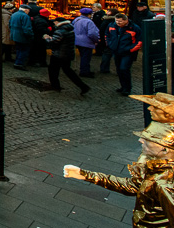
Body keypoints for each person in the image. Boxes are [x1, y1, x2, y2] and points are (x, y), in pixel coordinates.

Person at [63, 93, 174, 227]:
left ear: (165, 150)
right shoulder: (155, 165)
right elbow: (134, 186)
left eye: (148, 140)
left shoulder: (164, 183)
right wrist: (86, 175)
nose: (140, 140)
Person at [45, 17, 91, 95]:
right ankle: (83, 86)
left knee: (53, 70)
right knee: (68, 71)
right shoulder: (70, 30)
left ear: (58, 22)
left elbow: (54, 42)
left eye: (55, 22)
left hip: (58, 54)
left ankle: (55, 86)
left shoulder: (60, 31)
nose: (54, 24)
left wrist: (46, 38)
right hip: (67, 53)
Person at [105, 12, 143, 96]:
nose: (118, 23)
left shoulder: (134, 28)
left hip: (127, 53)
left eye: (120, 21)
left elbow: (139, 41)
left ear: (126, 21)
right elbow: (107, 35)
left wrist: (130, 50)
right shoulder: (112, 26)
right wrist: (110, 44)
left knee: (124, 69)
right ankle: (123, 86)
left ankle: (127, 88)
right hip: (116, 51)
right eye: (117, 21)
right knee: (119, 69)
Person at [72, 7, 100, 78]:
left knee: (83, 56)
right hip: (86, 42)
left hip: (77, 41)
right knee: (86, 58)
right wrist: (96, 40)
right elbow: (92, 33)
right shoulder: (89, 22)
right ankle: (84, 72)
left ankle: (85, 70)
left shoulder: (76, 20)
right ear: (89, 14)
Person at [9, 4, 34, 69]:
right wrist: (30, 35)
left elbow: (10, 25)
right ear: (26, 10)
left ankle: (17, 62)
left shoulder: (14, 15)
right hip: (22, 36)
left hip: (15, 35)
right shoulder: (25, 16)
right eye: (28, 10)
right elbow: (27, 28)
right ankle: (19, 63)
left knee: (18, 49)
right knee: (24, 50)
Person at [98, 8, 118, 73]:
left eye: (108, 11)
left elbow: (102, 30)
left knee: (106, 54)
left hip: (107, 39)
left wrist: (102, 39)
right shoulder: (117, 21)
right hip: (114, 40)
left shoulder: (106, 21)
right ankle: (119, 70)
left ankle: (104, 68)